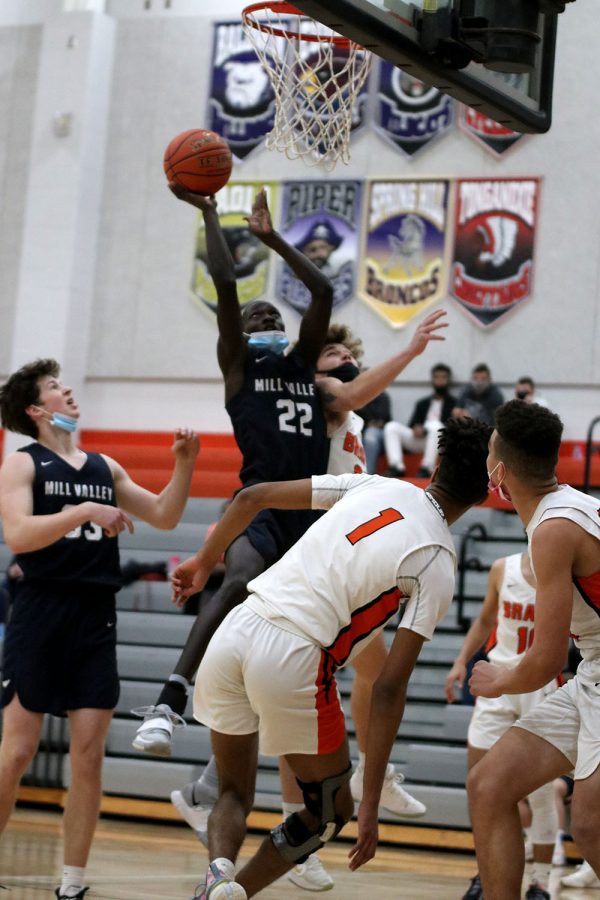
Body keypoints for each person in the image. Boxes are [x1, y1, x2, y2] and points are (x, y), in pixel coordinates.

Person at [169, 316, 445, 892]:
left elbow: (354, 395)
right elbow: (352, 390)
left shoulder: (347, 414)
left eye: (348, 350)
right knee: (311, 693)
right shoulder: (312, 396)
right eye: (331, 353)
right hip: (308, 547)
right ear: (307, 367)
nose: (342, 359)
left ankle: (217, 795)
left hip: (333, 547)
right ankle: (354, 782)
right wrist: (413, 350)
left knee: (346, 679)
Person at [0, 358, 199, 900]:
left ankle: (73, 883)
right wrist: (83, 510)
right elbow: (18, 535)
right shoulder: (23, 464)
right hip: (41, 611)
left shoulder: (104, 467)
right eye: (55, 388)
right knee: (16, 753)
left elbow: (163, 515)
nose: (68, 391)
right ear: (36, 410)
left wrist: (184, 465)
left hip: (94, 615)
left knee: (88, 753)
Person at [467, 400, 600, 900]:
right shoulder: (570, 505)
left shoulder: (552, 529)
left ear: (498, 469)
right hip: (593, 672)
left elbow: (544, 661)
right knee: (489, 785)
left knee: (589, 827)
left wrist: (496, 677)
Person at [445, 551, 561, 900]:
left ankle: (540, 882)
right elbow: (483, 621)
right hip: (498, 683)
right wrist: (461, 660)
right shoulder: (502, 568)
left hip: (539, 684)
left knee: (541, 792)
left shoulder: (563, 572)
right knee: (480, 786)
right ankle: (486, 872)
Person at [383, 362, 457, 478]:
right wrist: (416, 427)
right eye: (437, 377)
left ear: (448, 380)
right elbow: (412, 423)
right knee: (391, 426)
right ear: (432, 379)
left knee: (436, 426)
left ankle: (427, 468)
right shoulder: (422, 403)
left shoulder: (454, 404)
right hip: (420, 440)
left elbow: (452, 429)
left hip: (439, 443)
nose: (440, 380)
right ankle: (396, 466)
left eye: (443, 377)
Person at [355, 389, 392, 475]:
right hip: (360, 430)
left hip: (378, 434)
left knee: (370, 436)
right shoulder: (356, 396)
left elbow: (382, 421)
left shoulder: (383, 397)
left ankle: (367, 474)